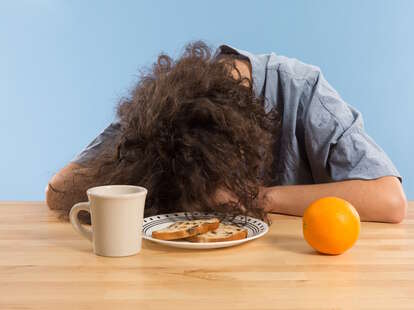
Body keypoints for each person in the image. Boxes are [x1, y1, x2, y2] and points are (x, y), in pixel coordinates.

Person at [46, 41, 407, 224]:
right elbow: (58, 188)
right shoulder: (163, 108)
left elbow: (389, 200)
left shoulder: (301, 89)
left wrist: (259, 197)